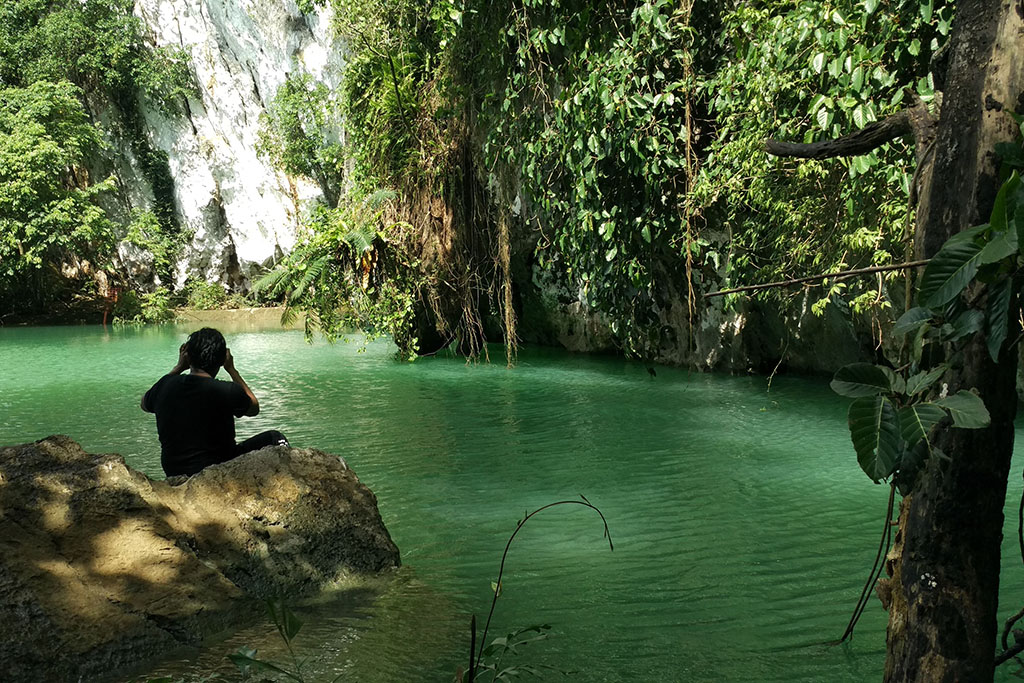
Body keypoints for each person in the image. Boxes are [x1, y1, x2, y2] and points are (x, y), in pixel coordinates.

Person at [141, 327, 288, 477]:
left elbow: (144, 404)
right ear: (222, 359)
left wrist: (178, 367)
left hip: (174, 471)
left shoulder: (165, 386)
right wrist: (232, 370)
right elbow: (253, 408)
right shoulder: (227, 390)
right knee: (275, 438)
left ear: (188, 357)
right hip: (219, 467)